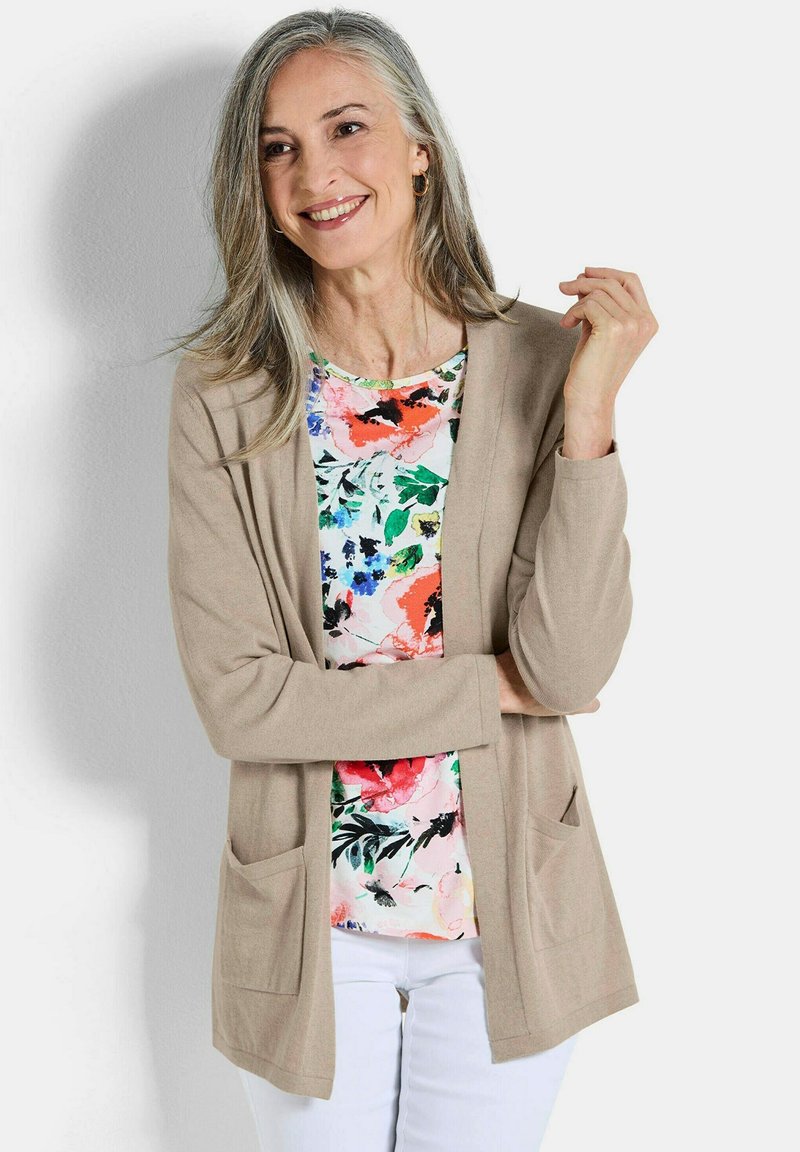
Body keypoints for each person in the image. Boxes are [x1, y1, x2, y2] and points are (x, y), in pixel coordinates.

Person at [164, 7, 658, 1150]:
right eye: (278, 147)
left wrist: (588, 412)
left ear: (419, 145)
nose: (315, 175)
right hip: (311, 919)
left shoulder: (540, 361)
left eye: (346, 128)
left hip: (505, 916)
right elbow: (240, 700)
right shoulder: (225, 393)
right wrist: (485, 689)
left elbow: (567, 666)